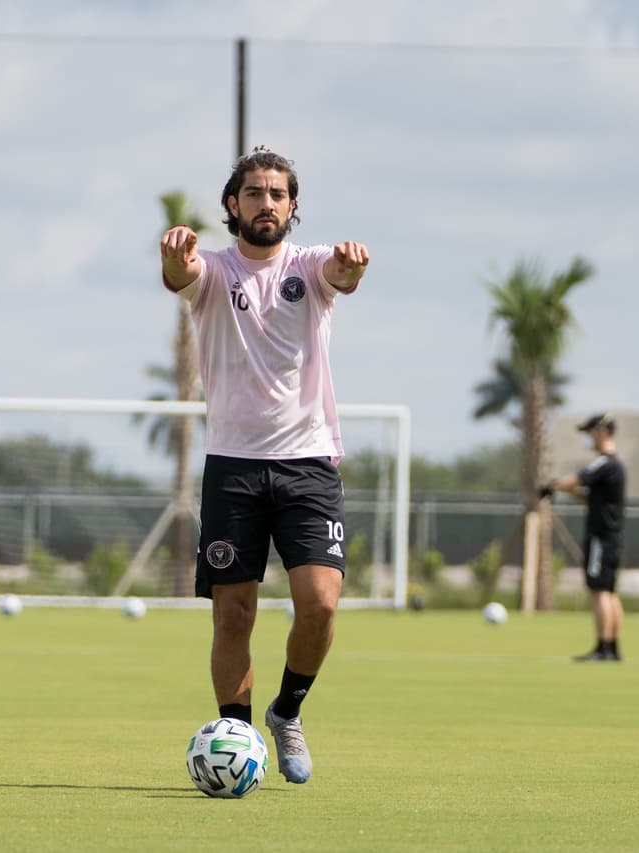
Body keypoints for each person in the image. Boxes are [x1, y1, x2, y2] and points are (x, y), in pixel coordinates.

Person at [159, 146, 369, 784]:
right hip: (234, 468)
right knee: (235, 614)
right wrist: (174, 259)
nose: (266, 203)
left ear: (293, 206)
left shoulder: (311, 266)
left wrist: (350, 265)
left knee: (321, 604)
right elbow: (181, 276)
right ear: (233, 204)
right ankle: (238, 737)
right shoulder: (216, 272)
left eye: (278, 194)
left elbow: (342, 276)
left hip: (307, 464)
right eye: (254, 193)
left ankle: (287, 712)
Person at [541, 412, 626, 662]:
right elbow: (589, 495)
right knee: (609, 592)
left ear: (602, 432)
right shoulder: (616, 468)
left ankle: (603, 648)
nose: (589, 438)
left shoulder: (605, 463)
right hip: (613, 536)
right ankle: (612, 648)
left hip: (601, 537)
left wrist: (551, 486)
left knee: (599, 590)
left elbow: (577, 479)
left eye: (591, 432)